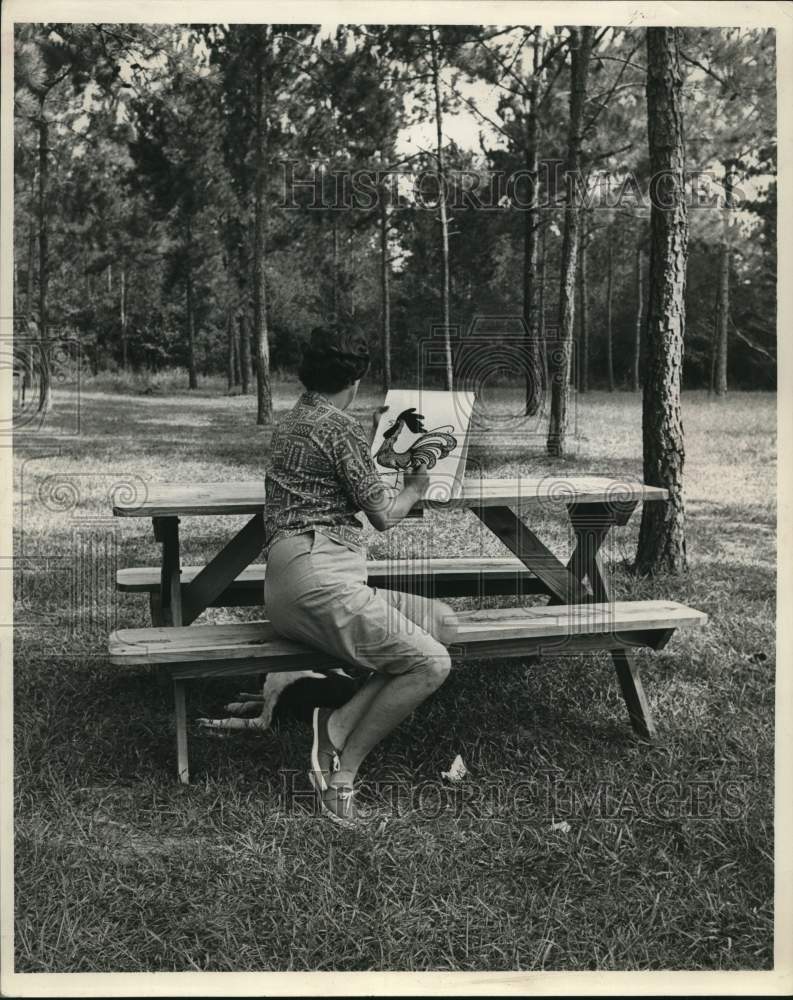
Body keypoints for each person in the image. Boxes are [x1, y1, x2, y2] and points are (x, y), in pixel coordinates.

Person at [263, 322, 458, 828]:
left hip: (295, 574)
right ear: (355, 382)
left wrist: (365, 434)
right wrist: (417, 483)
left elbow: (335, 467)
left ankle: (337, 722)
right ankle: (340, 771)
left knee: (440, 622)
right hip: (317, 576)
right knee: (431, 664)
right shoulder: (340, 429)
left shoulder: (297, 418)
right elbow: (385, 515)